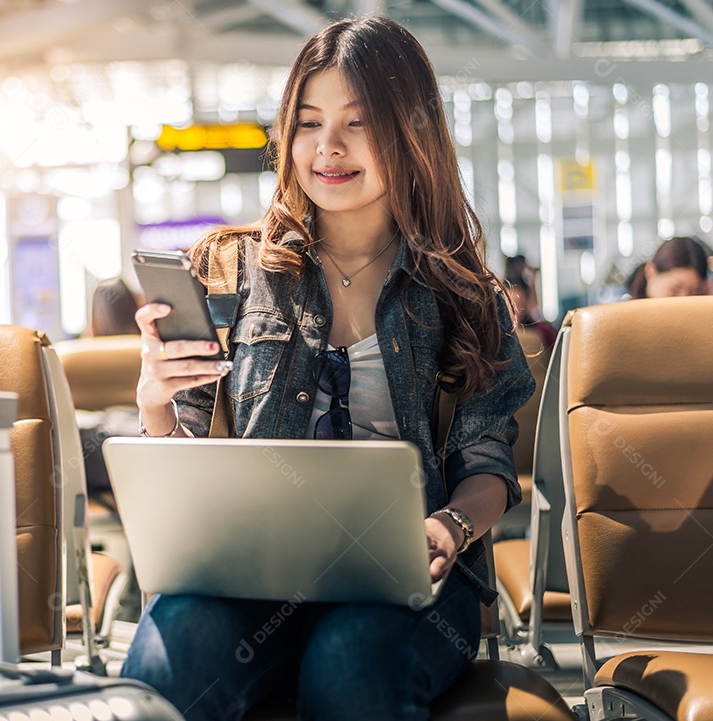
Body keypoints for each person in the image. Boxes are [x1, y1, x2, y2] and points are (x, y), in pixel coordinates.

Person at [124, 16, 534, 721]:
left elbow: (488, 468)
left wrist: (448, 527)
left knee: (349, 664)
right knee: (171, 654)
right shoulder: (226, 270)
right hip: (250, 576)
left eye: (358, 122)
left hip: (408, 587)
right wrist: (156, 402)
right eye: (309, 123)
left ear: (411, 132)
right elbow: (186, 461)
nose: (329, 148)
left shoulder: (465, 297)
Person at [627, 236, 713, 299]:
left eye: (694, 292)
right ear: (650, 272)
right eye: (675, 290)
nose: (682, 300)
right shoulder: (625, 318)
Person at [505, 272, 556, 351]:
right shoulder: (496, 337)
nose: (516, 311)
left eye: (519, 304)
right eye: (510, 306)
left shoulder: (543, 331)